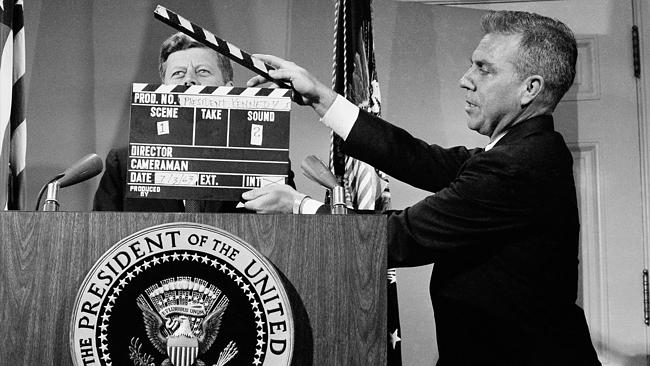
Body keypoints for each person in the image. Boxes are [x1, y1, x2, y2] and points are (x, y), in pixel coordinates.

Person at [242, 10, 601, 365]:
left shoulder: (517, 165)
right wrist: (320, 96)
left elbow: (403, 237)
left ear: (530, 89)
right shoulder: (521, 151)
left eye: (484, 68)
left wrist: (298, 206)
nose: (466, 79)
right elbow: (417, 158)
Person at [93, 32, 294, 212]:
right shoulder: (123, 164)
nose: (189, 80)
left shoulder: (266, 164)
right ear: (163, 88)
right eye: (178, 73)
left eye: (203, 72)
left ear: (228, 87)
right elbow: (100, 239)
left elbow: (292, 233)